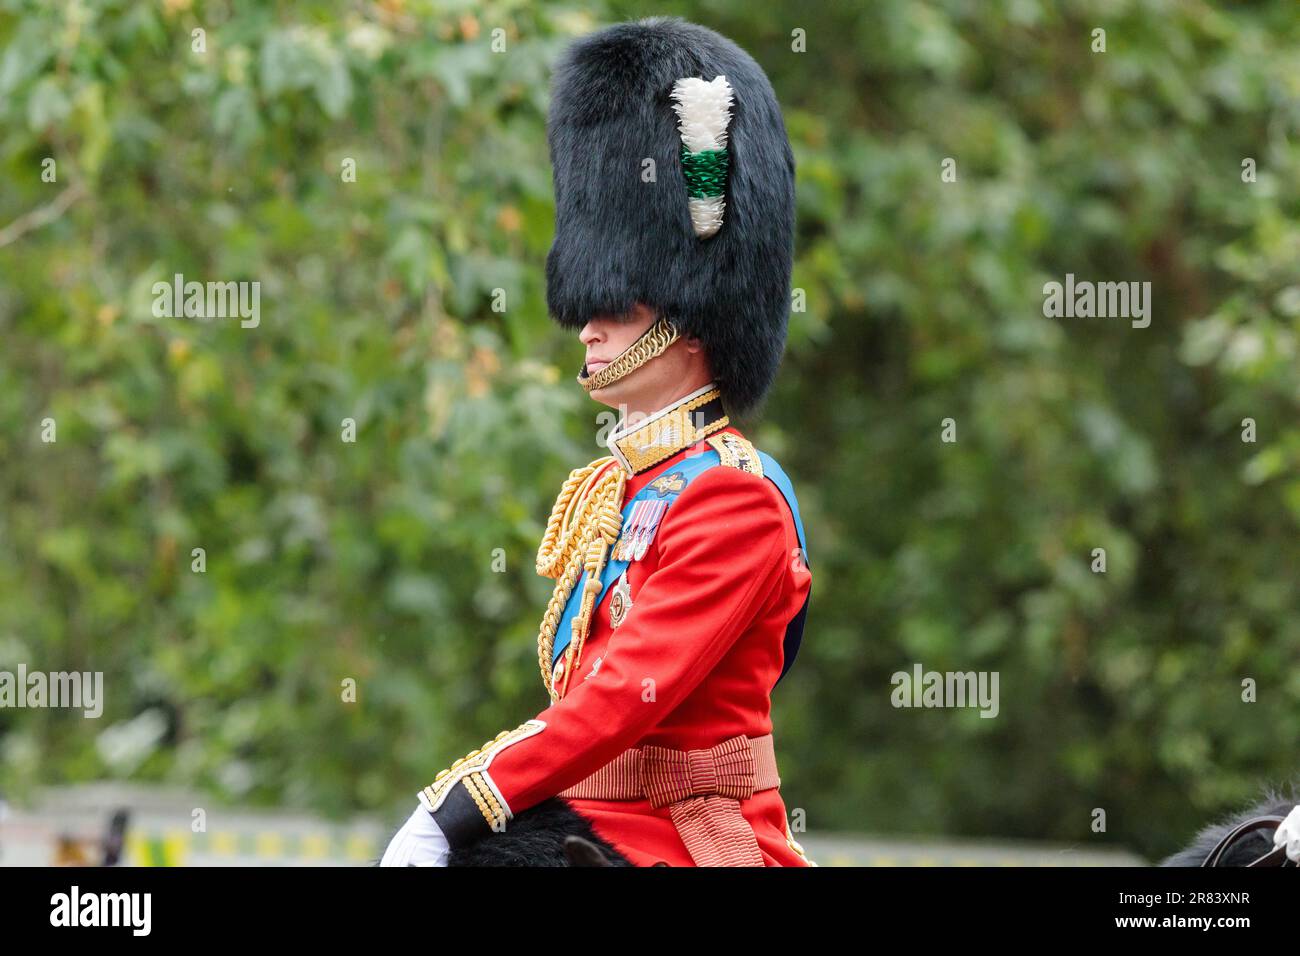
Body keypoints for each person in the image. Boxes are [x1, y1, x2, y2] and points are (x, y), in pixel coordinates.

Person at [381, 16, 811, 867]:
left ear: (689, 318)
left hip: (689, 842)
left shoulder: (733, 499)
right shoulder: (617, 489)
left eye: (617, 306)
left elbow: (619, 702)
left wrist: (459, 805)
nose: (587, 327)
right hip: (588, 830)